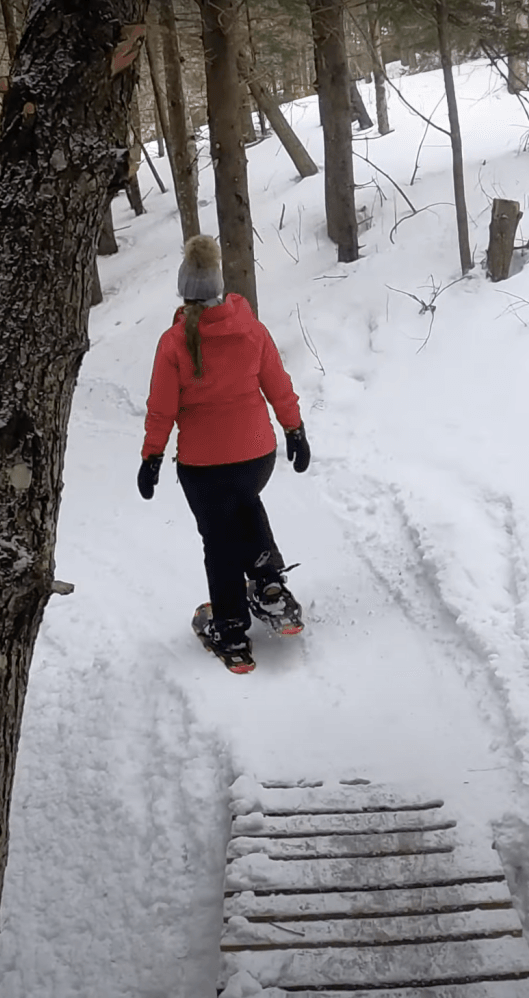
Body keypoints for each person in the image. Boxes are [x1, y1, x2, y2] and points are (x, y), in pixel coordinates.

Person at [138, 235, 311, 674]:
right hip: (257, 456)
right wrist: (294, 430)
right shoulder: (251, 329)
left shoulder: (174, 341)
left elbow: (162, 407)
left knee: (219, 537)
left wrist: (152, 457)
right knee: (245, 504)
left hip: (204, 465)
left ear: (184, 290)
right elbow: (277, 383)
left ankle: (231, 629)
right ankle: (270, 586)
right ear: (219, 285)